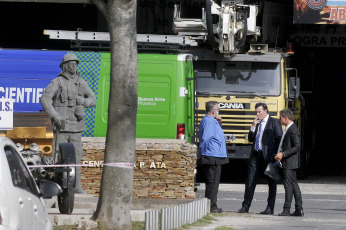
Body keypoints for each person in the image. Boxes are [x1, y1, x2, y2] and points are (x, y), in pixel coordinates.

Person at [40, 53, 96, 194]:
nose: (74, 66)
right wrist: (55, 116)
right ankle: (55, 186)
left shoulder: (82, 83)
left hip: (76, 126)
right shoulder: (57, 82)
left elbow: (93, 100)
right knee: (56, 155)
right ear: (65, 65)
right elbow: (45, 99)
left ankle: (77, 187)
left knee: (77, 156)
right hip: (61, 126)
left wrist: (82, 101)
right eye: (71, 63)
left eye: (76, 63)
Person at [238, 102, 282, 214]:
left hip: (269, 156)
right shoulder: (257, 123)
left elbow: (279, 138)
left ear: (266, 111)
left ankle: (270, 208)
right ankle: (245, 206)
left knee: (271, 183)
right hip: (256, 155)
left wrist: (276, 155)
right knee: (250, 180)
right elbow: (250, 139)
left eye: (259, 112)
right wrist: (253, 126)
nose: (257, 114)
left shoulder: (274, 122)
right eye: (256, 112)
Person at [198, 101, 228, 213]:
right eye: (218, 109)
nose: (218, 112)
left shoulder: (212, 121)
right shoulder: (209, 122)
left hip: (215, 155)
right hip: (211, 155)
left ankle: (210, 205)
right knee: (212, 182)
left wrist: (219, 123)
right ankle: (211, 206)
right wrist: (201, 152)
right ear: (214, 111)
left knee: (213, 181)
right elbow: (206, 138)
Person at [275, 108, 304, 217]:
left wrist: (283, 154)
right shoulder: (288, 128)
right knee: (293, 184)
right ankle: (298, 209)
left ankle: (286, 209)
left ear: (285, 118)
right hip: (288, 161)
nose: (279, 120)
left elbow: (297, 146)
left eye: (280, 117)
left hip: (290, 162)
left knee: (288, 186)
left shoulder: (293, 129)